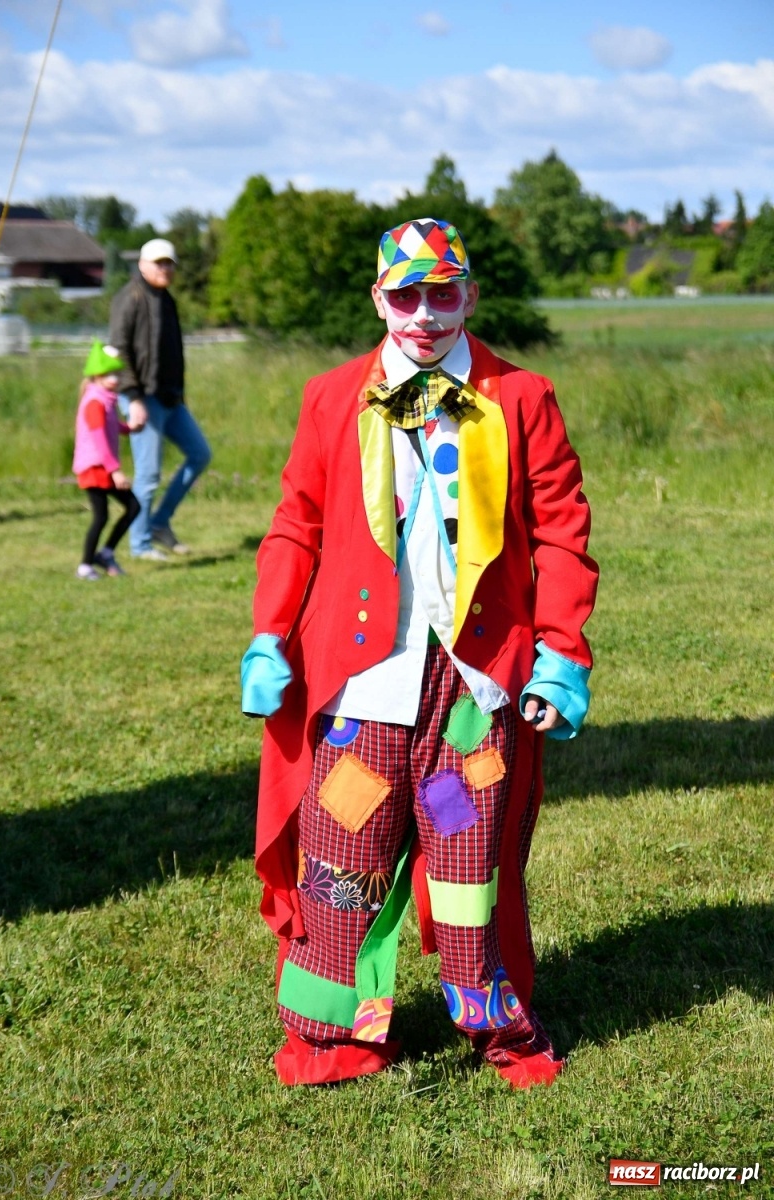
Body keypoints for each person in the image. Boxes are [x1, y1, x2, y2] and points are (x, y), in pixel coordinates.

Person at [240, 218, 599, 1088]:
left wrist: (562, 652)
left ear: (470, 296)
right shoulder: (332, 396)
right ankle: (336, 1040)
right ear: (379, 301)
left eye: (445, 293)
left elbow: (561, 536)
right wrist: (267, 630)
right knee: (340, 866)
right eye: (407, 295)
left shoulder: (523, 395)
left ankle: (498, 1030)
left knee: (470, 866)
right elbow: (298, 524)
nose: (426, 314)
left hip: (474, 683)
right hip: (364, 681)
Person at [109, 237, 211, 560]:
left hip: (171, 400)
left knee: (200, 454)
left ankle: (159, 523)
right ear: (142, 264)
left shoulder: (166, 299)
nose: (165, 269)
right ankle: (139, 545)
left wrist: (179, 394)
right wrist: (133, 398)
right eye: (159, 263)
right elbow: (119, 351)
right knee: (148, 474)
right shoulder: (130, 298)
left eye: (169, 263)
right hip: (142, 399)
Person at [73, 340, 140, 580]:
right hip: (95, 467)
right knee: (101, 516)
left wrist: (128, 428)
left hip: (104, 466)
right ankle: (85, 566)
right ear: (97, 376)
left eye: (116, 373)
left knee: (133, 507)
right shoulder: (94, 401)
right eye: (108, 374)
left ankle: (106, 553)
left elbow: (109, 427)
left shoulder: (105, 399)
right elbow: (98, 439)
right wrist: (115, 470)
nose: (114, 378)